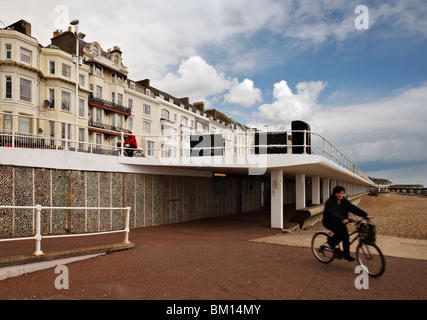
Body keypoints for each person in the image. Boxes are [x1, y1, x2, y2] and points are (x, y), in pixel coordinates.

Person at [322, 186, 370, 262]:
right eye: (338, 193)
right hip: (329, 222)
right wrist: (342, 219)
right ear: (334, 193)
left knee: (346, 237)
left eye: (342, 193)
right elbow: (332, 213)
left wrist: (364, 214)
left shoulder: (344, 201)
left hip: (340, 221)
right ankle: (331, 243)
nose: (341, 195)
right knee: (342, 234)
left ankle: (347, 255)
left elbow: (352, 208)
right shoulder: (330, 202)